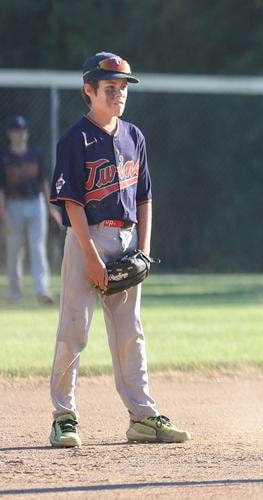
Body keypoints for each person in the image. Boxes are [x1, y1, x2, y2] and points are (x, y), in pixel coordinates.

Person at [47, 52, 190, 447]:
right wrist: (91, 256)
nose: (119, 94)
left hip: (126, 239)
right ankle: (64, 416)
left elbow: (144, 197)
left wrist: (143, 250)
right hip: (87, 238)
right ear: (88, 91)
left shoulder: (134, 136)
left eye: (124, 87)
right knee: (74, 330)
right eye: (110, 88)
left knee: (131, 334)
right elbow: (71, 201)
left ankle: (142, 417)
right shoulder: (75, 139)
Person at [0, 115, 60, 304]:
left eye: (23, 130)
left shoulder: (35, 153)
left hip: (36, 203)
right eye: (17, 130)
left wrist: (51, 208)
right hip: (13, 204)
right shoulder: (3, 157)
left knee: (37, 247)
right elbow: (1, 189)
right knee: (14, 249)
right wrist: (3, 216)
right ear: (10, 133)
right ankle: (14, 292)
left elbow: (43, 182)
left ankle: (42, 290)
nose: (20, 134)